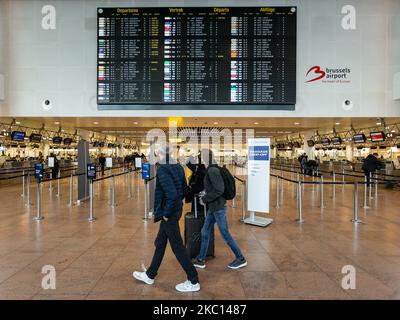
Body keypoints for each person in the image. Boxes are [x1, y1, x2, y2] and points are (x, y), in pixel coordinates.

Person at [133, 144, 200, 293]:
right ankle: (150, 274)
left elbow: (172, 194)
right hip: (174, 211)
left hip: (169, 214)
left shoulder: (163, 168)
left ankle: (193, 279)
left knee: (177, 246)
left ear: (160, 153)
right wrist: (174, 208)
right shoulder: (178, 166)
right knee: (160, 243)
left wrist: (166, 213)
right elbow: (183, 191)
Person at [192, 149, 247, 270]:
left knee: (225, 234)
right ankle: (200, 259)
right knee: (205, 232)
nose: (199, 160)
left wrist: (205, 199)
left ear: (205, 158)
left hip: (218, 208)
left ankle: (241, 258)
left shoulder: (212, 170)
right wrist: (205, 192)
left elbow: (219, 189)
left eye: (200, 157)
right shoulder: (212, 168)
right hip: (214, 207)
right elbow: (214, 187)